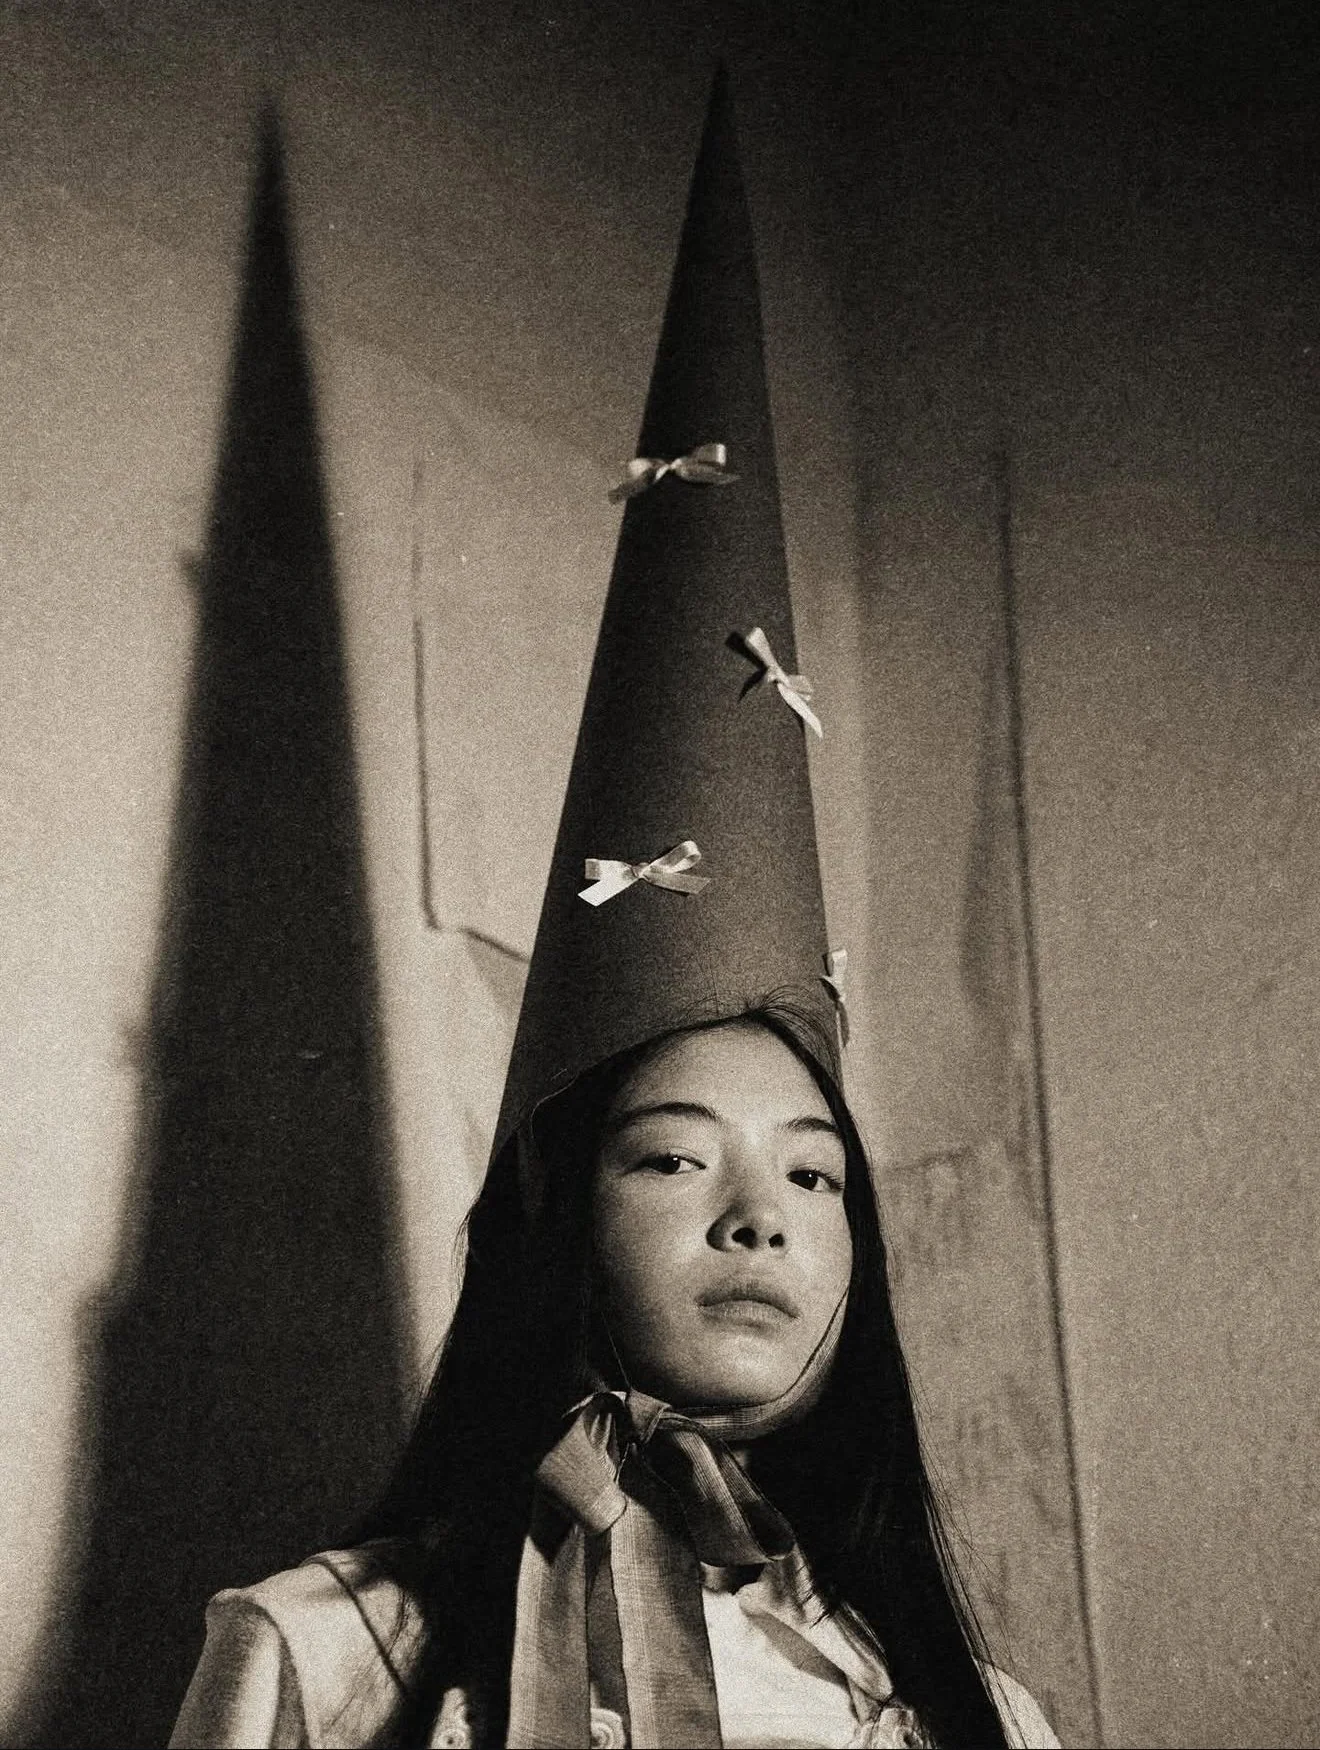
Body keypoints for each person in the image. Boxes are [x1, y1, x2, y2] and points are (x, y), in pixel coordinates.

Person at [172, 67, 1064, 1750]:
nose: (762, 1218)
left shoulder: (974, 1715)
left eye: (815, 1172)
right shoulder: (323, 1656)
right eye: (669, 1157)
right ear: (558, 1209)